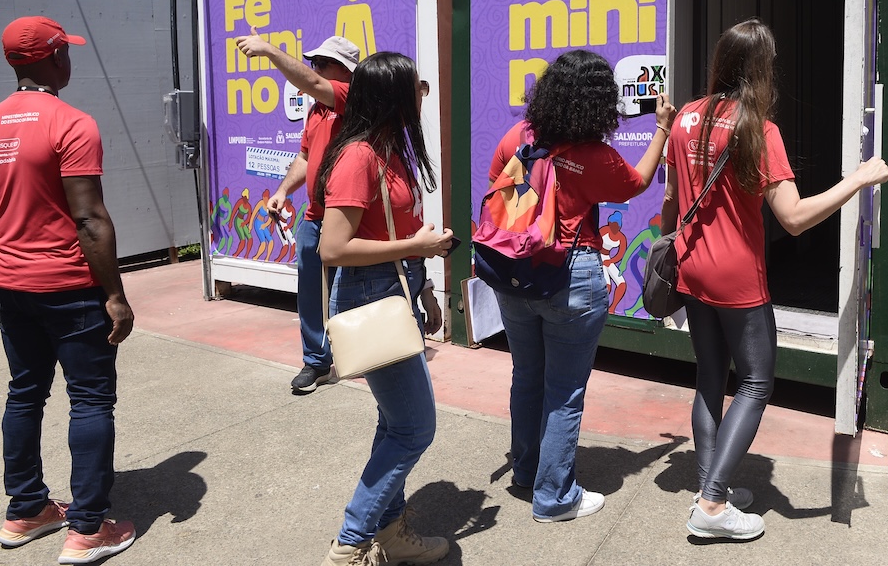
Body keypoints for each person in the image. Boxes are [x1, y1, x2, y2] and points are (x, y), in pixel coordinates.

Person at [661, 18, 888, 542]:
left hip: (692, 265)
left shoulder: (686, 118)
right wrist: (858, 178)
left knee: (709, 378)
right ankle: (712, 505)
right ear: (761, 70)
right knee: (756, 382)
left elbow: (672, 198)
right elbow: (794, 217)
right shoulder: (758, 130)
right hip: (737, 277)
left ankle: (710, 488)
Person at [0, 16, 137, 564]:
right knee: (90, 399)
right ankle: (88, 528)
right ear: (53, 57)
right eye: (66, 50)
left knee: (25, 393)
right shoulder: (72, 123)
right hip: (69, 287)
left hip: (9, 283)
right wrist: (115, 295)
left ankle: (26, 511)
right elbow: (89, 219)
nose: (70, 59)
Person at [487, 49, 676, 523]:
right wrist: (661, 128)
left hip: (514, 275)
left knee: (526, 377)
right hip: (571, 277)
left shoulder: (518, 136)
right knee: (565, 391)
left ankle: (527, 472)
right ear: (598, 103)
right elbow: (637, 183)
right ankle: (554, 497)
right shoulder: (594, 156)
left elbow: (495, 187)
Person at [314, 52, 453, 566]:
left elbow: (401, 230)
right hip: (370, 293)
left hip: (396, 289)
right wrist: (417, 249)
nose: (423, 93)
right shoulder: (358, 157)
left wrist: (426, 287)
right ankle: (351, 543)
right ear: (392, 95)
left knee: (395, 422)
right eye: (416, 86)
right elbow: (332, 248)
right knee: (415, 428)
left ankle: (391, 532)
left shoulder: (390, 150)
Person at [234, 32, 359, 392]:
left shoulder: (353, 98)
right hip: (314, 216)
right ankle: (316, 362)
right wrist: (282, 191)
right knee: (311, 292)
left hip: (348, 219)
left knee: (350, 292)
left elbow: (314, 84)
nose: (315, 69)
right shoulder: (318, 110)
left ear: (346, 71)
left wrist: (268, 50)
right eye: (313, 62)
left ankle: (360, 354)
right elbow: (305, 157)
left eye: (323, 63)